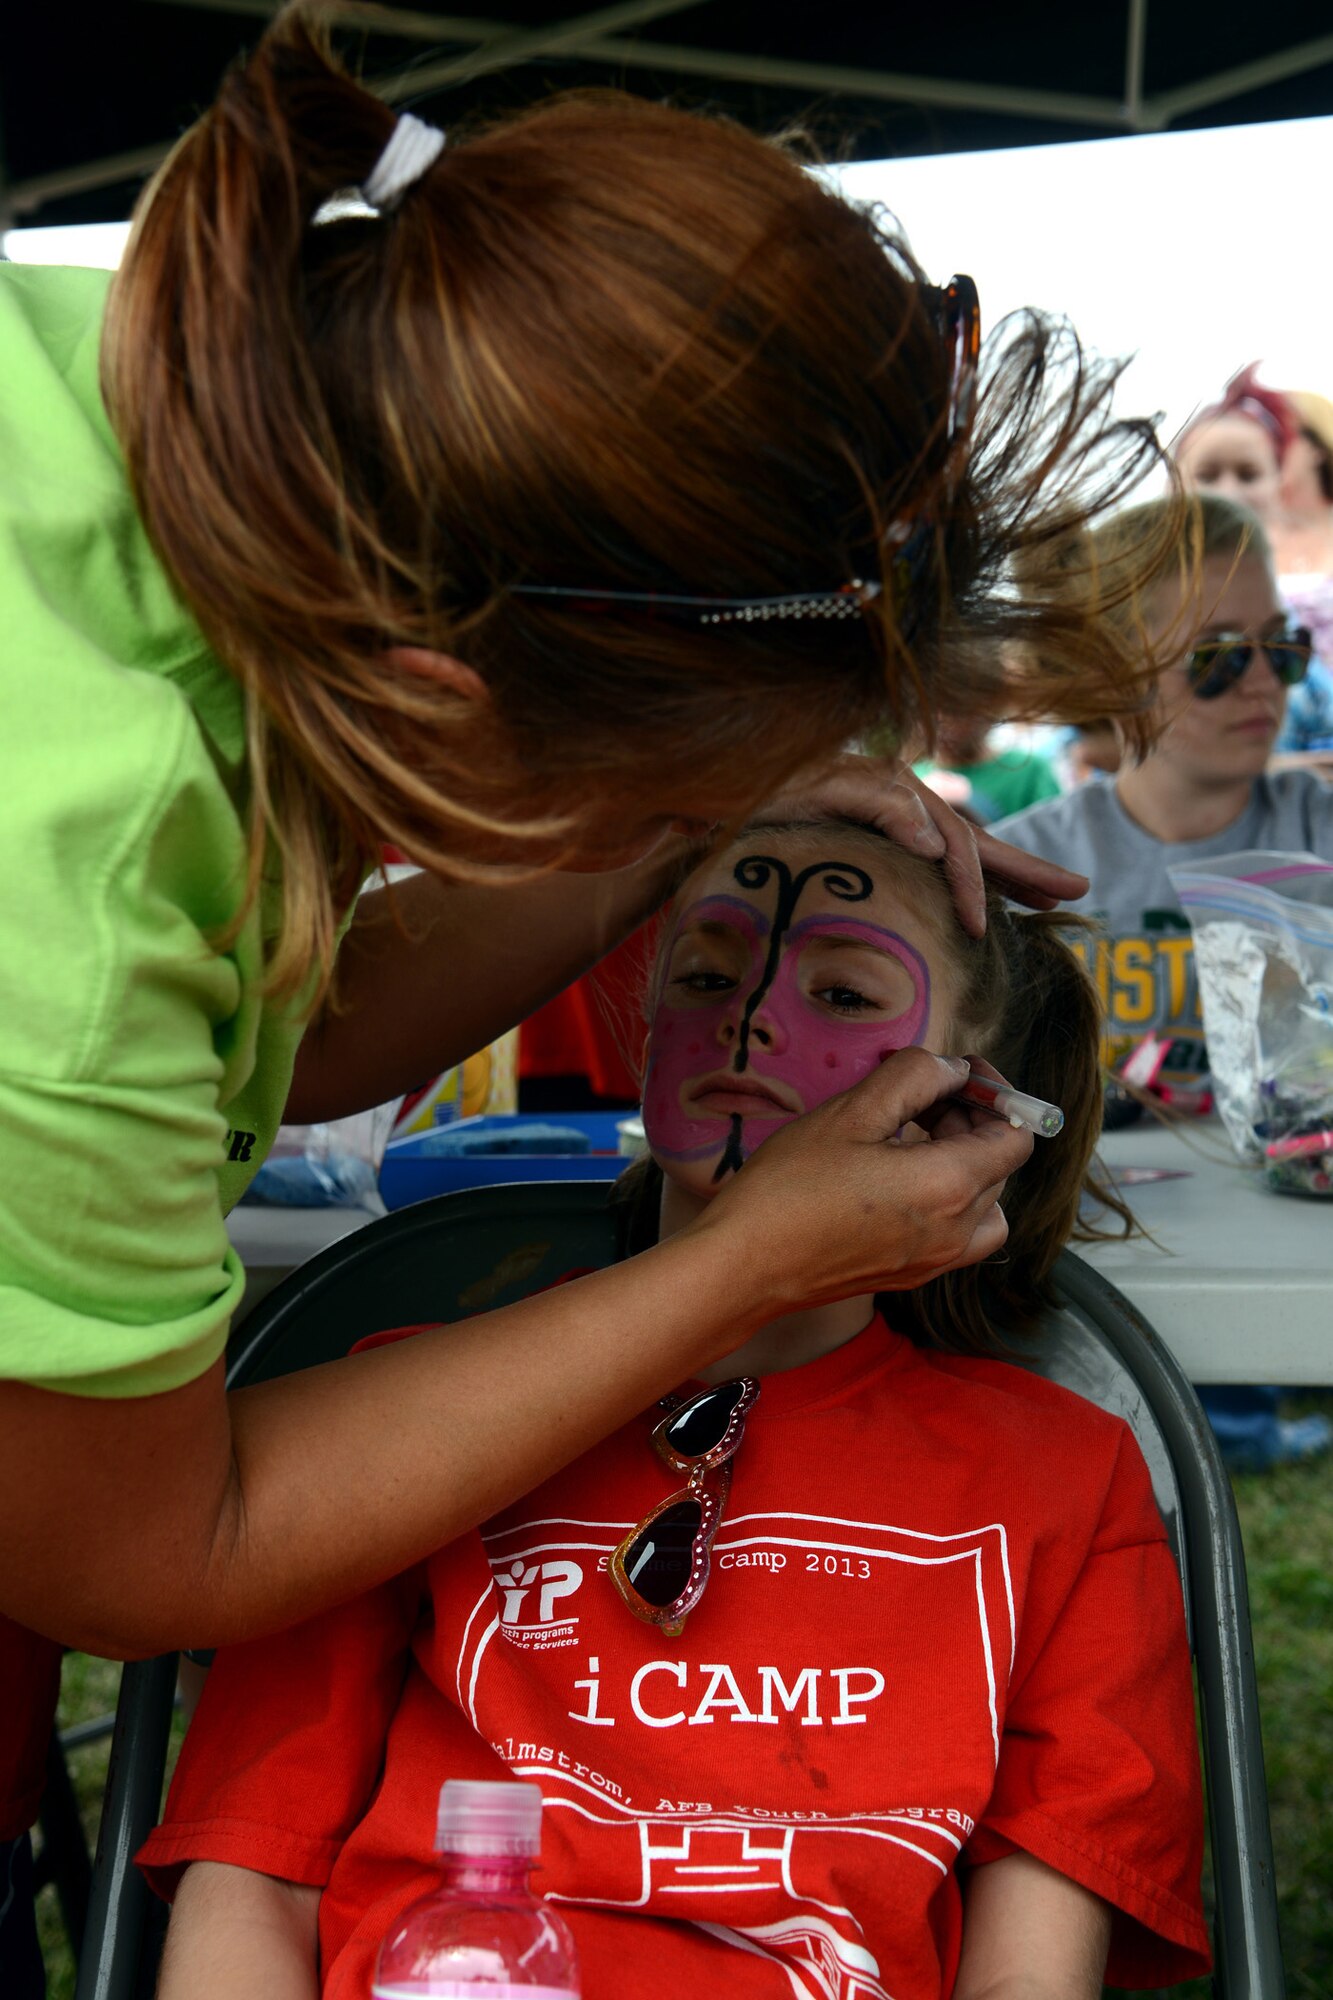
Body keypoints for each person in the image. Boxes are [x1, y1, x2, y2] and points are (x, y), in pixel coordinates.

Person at [0, 9, 1173, 1981]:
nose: (738, 981)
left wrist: (671, 792)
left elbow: (264, 1048)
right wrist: (722, 1277)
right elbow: (129, 1548)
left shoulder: (178, 445)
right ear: (439, 705)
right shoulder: (69, 860)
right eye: (684, 863)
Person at [138, 816, 1209, 2000]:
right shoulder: (391, 1417)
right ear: (641, 1024)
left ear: (981, 1102)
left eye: (845, 992)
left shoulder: (1064, 1475)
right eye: (704, 973)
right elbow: (251, 1873)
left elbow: (1031, 1970)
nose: (749, 1013)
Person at [994, 491, 1333, 1469]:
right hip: (1085, 1241)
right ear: (1115, 675)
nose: (1263, 680)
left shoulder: (1316, 836)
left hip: (1284, 1235)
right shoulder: (1025, 867)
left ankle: (1241, 1430)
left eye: (1283, 647)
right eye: (1218, 657)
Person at [1175, 368, 1333, 761]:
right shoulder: (1149, 618)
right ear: (1174, 487)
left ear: (1279, 486)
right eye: (1208, 475)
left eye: (1248, 474)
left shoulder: (1293, 636)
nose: (1229, 492)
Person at [912, 714, 1061, 824]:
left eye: (954, 711)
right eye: (926, 711)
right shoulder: (911, 779)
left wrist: (971, 807)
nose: (941, 724)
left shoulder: (1029, 770)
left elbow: (1056, 839)